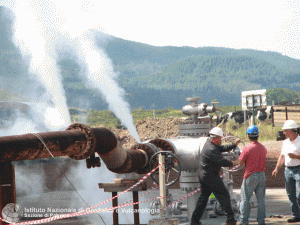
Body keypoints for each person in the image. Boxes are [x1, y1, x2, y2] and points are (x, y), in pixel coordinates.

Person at [191, 127, 241, 225]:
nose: (221, 140)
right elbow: (222, 161)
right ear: (217, 138)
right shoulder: (211, 149)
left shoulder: (209, 144)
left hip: (204, 175)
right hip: (210, 176)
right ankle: (230, 220)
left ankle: (194, 220)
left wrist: (233, 145)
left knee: (203, 197)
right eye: (221, 139)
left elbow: (221, 148)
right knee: (224, 195)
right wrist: (234, 163)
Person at [238, 125, 267, 225]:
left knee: (245, 199)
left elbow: (241, 163)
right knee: (261, 200)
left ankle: (244, 221)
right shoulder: (263, 148)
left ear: (249, 136)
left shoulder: (247, 148)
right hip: (262, 175)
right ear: (257, 135)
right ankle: (261, 221)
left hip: (250, 176)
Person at [272, 120, 300, 223]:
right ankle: (296, 215)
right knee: (291, 194)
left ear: (291, 131)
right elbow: (282, 156)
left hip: (298, 169)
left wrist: (296, 156)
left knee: (299, 194)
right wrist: (276, 168)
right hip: (288, 170)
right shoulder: (285, 142)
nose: (283, 133)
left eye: (285, 131)